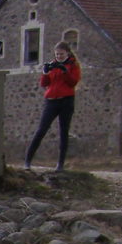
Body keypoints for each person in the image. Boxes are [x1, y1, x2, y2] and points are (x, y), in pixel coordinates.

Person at [25, 41, 81, 172]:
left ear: (67, 53)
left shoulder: (73, 65)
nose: (59, 56)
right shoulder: (53, 65)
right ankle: (27, 161)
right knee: (41, 130)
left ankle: (60, 164)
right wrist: (45, 72)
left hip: (66, 100)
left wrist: (65, 71)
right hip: (51, 100)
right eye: (57, 54)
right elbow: (44, 83)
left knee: (63, 132)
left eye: (61, 54)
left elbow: (73, 82)